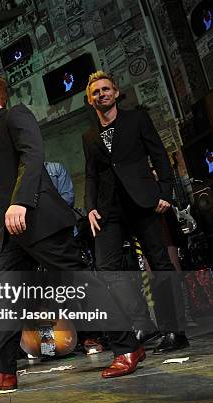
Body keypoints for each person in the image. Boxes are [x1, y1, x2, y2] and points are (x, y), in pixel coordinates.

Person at [0, 71, 143, 392]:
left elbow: (33, 155)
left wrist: (21, 202)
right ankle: (0, 370)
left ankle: (128, 347)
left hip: (36, 219)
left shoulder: (15, 114)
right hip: (14, 231)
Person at [83, 70, 189, 354]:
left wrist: (165, 192)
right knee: (107, 269)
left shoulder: (136, 120)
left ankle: (174, 331)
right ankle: (142, 322)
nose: (102, 94)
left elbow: (158, 154)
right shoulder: (89, 135)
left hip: (144, 202)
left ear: (115, 93)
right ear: (89, 99)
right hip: (109, 209)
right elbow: (91, 175)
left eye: (106, 89)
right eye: (96, 92)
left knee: (160, 265)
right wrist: (90, 207)